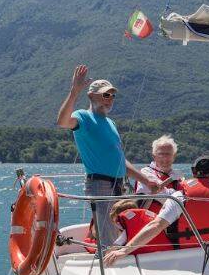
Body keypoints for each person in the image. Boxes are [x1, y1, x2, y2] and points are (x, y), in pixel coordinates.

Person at [56, 64, 159, 248]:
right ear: (91, 96)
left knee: (121, 232)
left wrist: (147, 181)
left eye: (112, 95)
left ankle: (114, 264)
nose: (109, 99)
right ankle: (108, 267)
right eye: (105, 95)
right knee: (109, 237)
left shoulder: (110, 122)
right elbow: (63, 122)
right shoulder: (83, 117)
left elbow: (119, 160)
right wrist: (74, 92)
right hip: (101, 185)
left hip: (120, 186)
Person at [103, 156, 209, 266]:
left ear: (195, 174)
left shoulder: (179, 197)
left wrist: (125, 250)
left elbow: (156, 225)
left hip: (185, 256)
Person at [135, 135, 184, 213]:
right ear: (154, 156)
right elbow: (162, 196)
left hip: (174, 220)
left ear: (174, 156)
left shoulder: (178, 176)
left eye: (168, 154)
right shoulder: (145, 173)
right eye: (161, 154)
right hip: (150, 220)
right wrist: (177, 194)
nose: (165, 158)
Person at [109, 199, 173, 254]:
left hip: (143, 258)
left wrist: (108, 252)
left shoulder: (126, 232)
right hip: (165, 253)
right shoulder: (151, 222)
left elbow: (115, 247)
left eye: (117, 222)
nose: (116, 224)